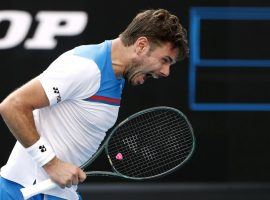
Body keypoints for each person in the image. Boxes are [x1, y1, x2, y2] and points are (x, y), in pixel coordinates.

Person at [0, 8, 189, 200]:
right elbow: (13, 105)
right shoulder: (86, 67)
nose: (166, 72)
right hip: (26, 190)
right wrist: (51, 163)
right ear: (141, 45)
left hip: (55, 193)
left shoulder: (117, 76)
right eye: (165, 60)